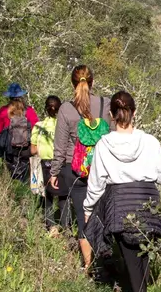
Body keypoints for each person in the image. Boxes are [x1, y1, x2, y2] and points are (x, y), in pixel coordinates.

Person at [83, 91, 161, 292]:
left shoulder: (103, 144)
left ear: (111, 115)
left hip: (119, 203)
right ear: (134, 113)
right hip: (148, 200)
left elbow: (96, 183)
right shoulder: (150, 142)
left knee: (130, 257)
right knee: (144, 254)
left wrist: (87, 208)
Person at [49, 66, 115, 271]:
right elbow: (113, 139)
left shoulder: (66, 109)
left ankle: (89, 265)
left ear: (72, 83)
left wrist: (54, 172)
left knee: (82, 215)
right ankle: (106, 257)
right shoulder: (105, 104)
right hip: (102, 167)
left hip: (74, 169)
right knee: (102, 213)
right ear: (92, 82)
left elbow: (59, 145)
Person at [31, 95, 70, 234]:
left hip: (44, 164)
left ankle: (51, 226)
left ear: (46, 109)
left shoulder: (39, 126)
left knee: (47, 196)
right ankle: (67, 227)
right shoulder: (65, 125)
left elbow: (33, 149)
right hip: (62, 164)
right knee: (63, 196)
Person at [0, 83, 38, 181]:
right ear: (21, 95)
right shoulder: (29, 110)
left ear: (9, 97)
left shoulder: (4, 110)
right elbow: (36, 129)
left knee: (10, 176)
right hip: (26, 148)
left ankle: (11, 192)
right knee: (23, 177)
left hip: (9, 150)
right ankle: (22, 191)